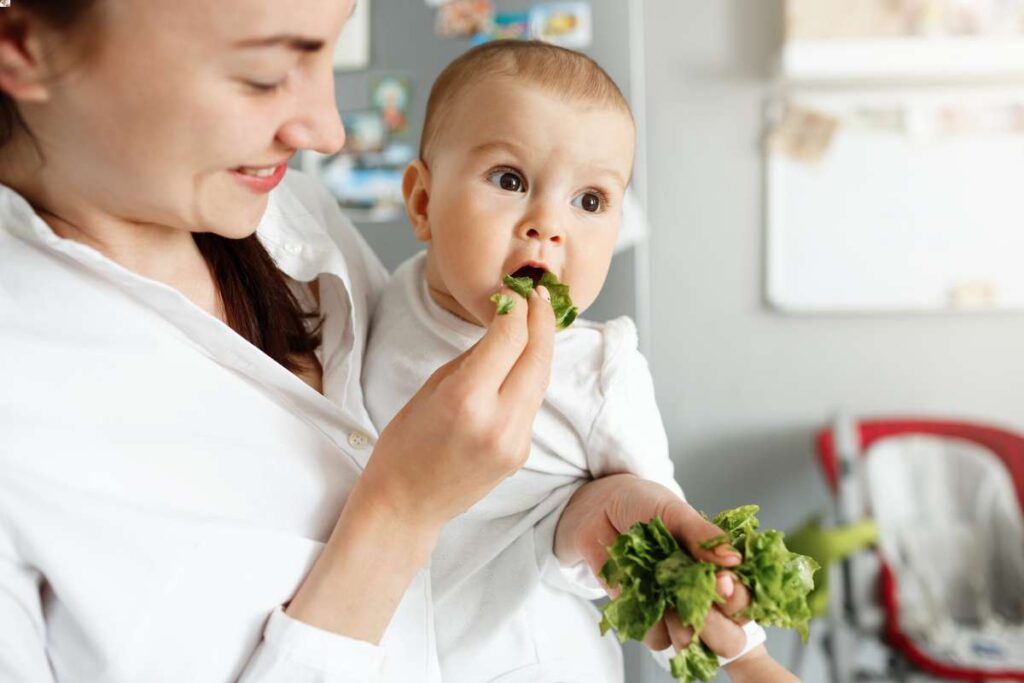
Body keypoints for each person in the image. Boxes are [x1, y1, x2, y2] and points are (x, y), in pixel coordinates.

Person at [0, 1, 797, 681]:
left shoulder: (298, 224)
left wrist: (581, 518)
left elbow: (487, 545)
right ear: (27, 48)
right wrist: (399, 508)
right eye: (265, 72)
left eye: (331, 50)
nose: (328, 130)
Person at [362, 40, 787, 683]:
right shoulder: (383, 299)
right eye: (510, 180)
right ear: (422, 203)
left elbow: (666, 534)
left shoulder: (599, 371)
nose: (547, 225)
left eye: (589, 201)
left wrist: (748, 660)